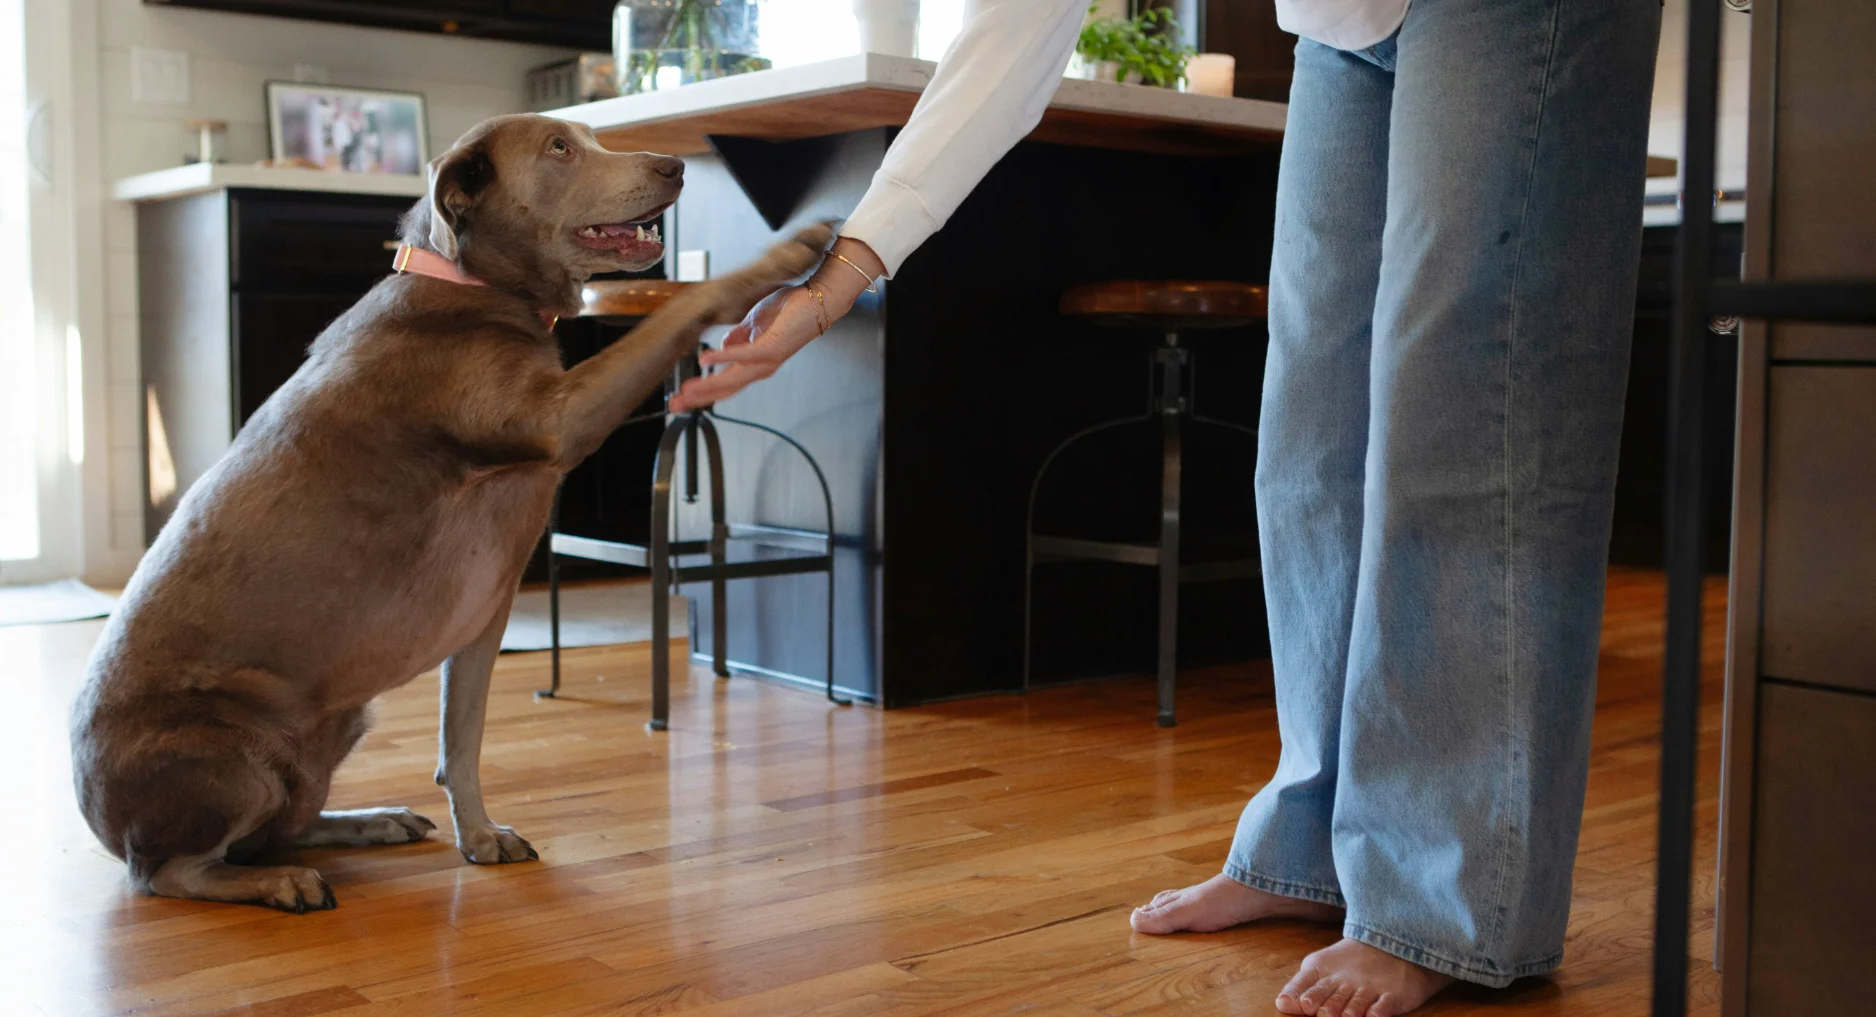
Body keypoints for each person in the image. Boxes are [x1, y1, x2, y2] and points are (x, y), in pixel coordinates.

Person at [671, 0, 1663, 1012]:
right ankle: (1315, 846)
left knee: (1464, 404)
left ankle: (1447, 900)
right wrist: (840, 279)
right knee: (1311, 440)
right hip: (1340, 23)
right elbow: (1013, 34)